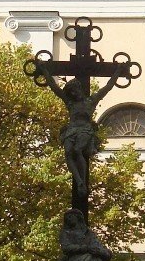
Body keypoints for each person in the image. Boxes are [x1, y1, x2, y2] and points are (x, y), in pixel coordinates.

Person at [40, 73, 121, 204]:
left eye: (75, 90)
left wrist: (117, 71)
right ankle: (79, 181)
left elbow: (107, 87)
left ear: (79, 89)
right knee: (68, 153)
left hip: (85, 130)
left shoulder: (91, 101)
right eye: (71, 92)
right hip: (71, 131)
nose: (74, 94)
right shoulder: (70, 103)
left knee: (77, 150)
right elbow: (54, 87)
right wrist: (44, 70)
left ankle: (82, 183)